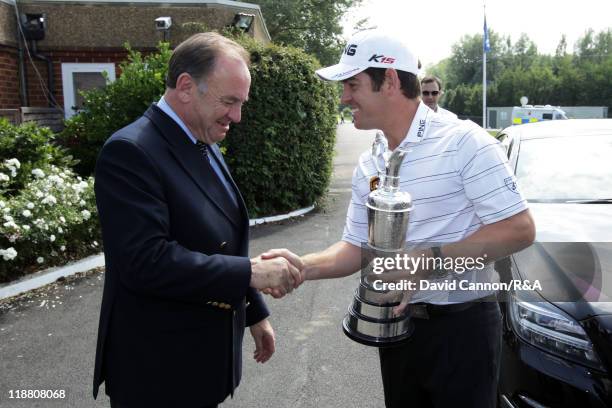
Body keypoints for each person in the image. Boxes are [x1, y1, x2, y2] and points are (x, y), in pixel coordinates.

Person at [264, 29, 535, 408]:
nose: (343, 97)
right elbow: (357, 248)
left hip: (462, 330)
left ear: (389, 80)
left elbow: (519, 230)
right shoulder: (370, 160)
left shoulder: (464, 143)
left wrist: (427, 261)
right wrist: (300, 266)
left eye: (352, 84)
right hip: (397, 328)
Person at [93, 32, 304, 408]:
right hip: (159, 374)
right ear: (186, 87)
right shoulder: (131, 151)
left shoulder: (202, 138)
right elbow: (145, 261)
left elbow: (220, 238)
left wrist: (253, 312)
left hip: (201, 365)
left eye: (241, 103)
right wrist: (249, 274)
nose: (237, 117)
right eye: (229, 101)